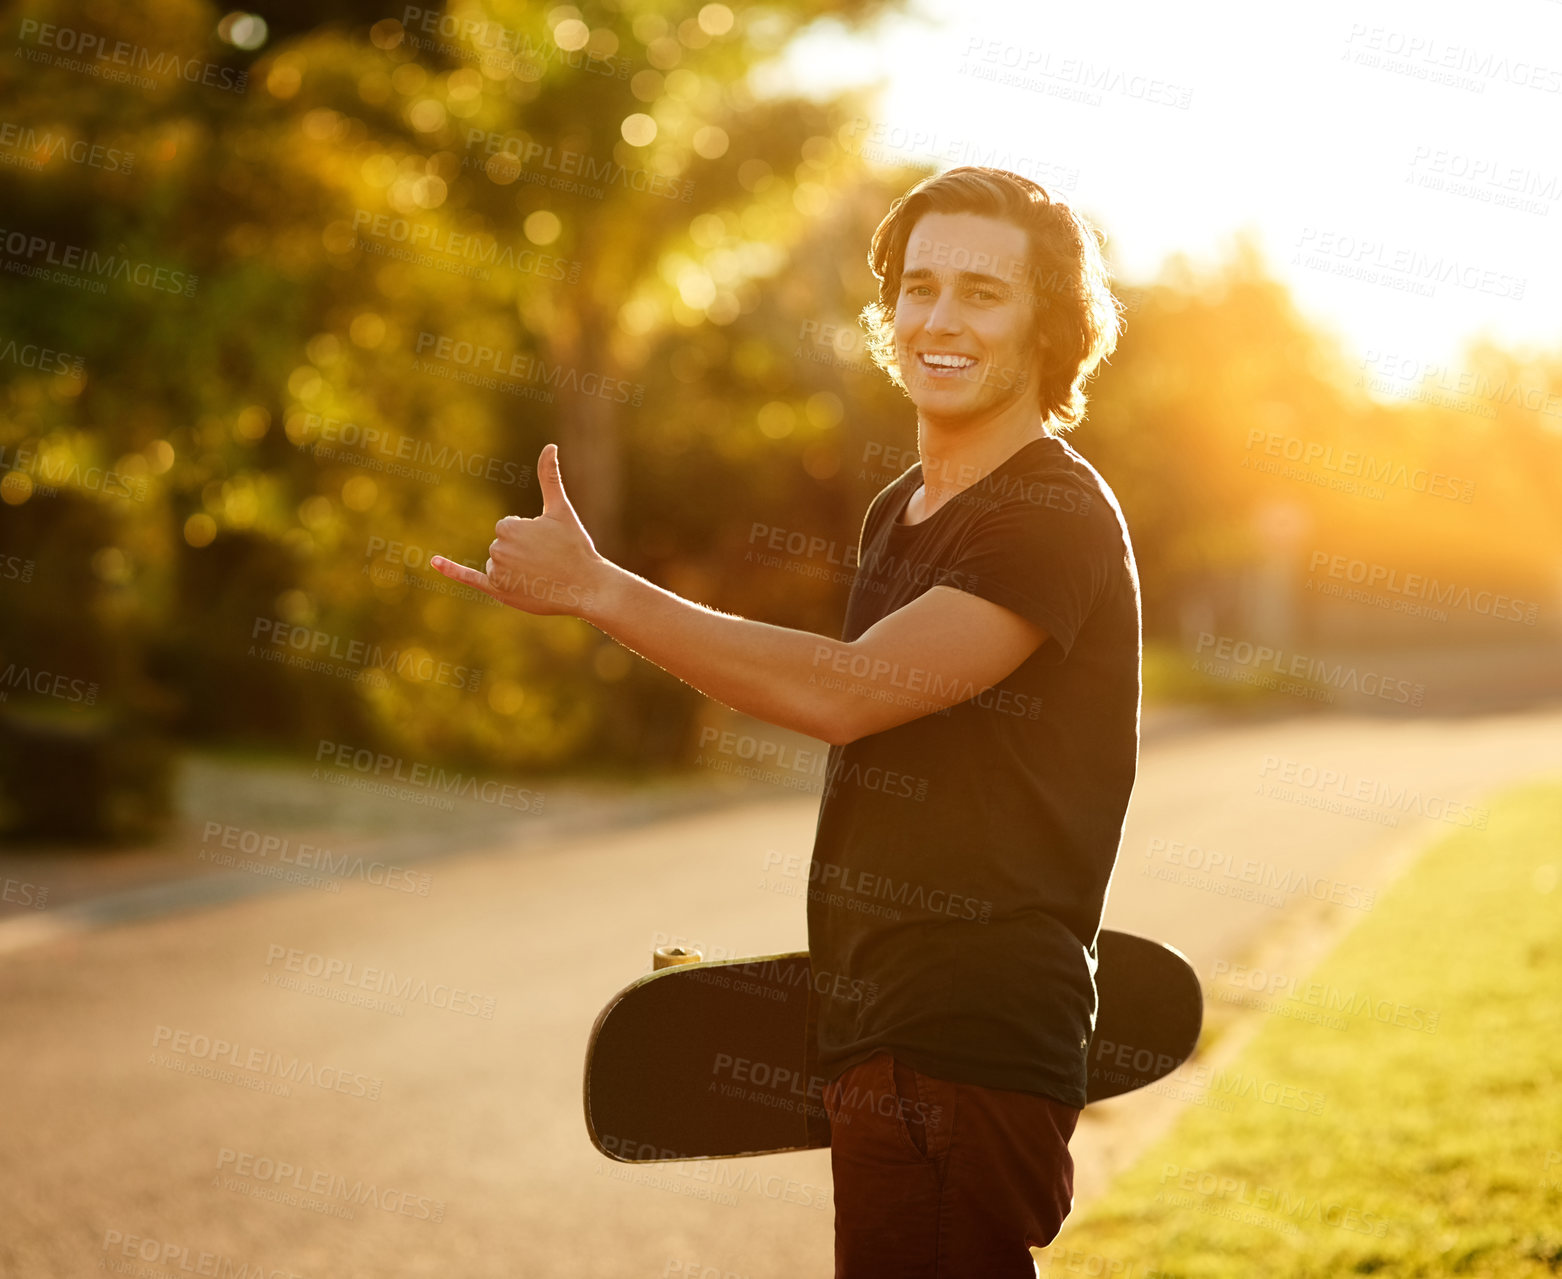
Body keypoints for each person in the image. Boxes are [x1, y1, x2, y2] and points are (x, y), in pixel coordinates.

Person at [433, 165, 1139, 1278]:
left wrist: (603, 591)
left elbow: (845, 690)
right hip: (888, 1039)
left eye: (982, 293)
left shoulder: (1049, 512)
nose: (938, 319)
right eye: (917, 287)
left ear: (1051, 323)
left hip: (960, 1039)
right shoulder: (898, 514)